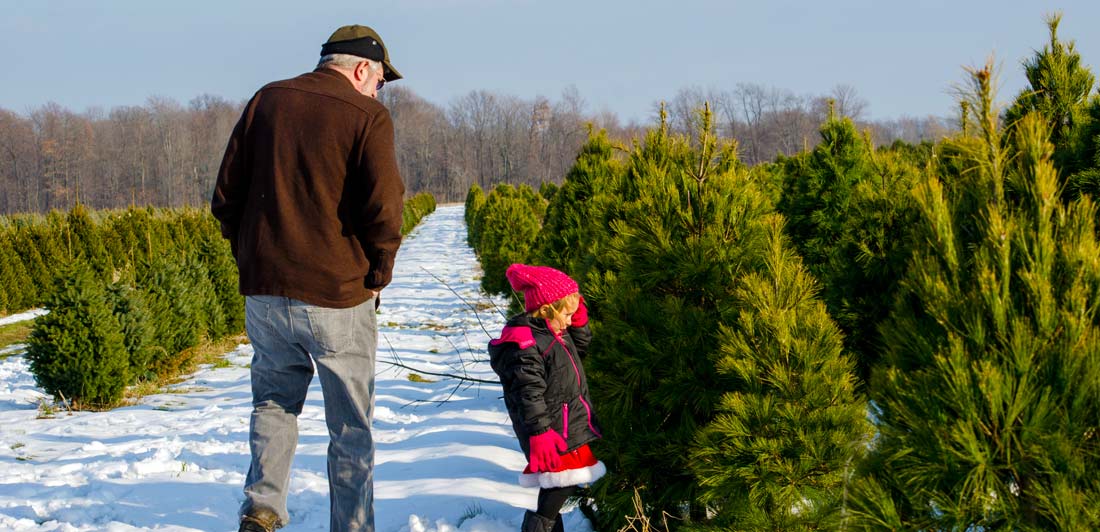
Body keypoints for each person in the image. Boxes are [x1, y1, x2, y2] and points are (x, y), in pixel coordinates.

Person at [210, 24, 405, 532]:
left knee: (273, 402)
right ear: (362, 68)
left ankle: (262, 509)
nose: (379, 89)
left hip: (266, 293)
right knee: (350, 427)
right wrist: (378, 273)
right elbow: (385, 210)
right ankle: (353, 526)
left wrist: (254, 256)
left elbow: (225, 197)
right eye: (381, 79)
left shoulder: (266, 101)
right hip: (339, 296)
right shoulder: (367, 116)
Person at [488, 264, 607, 532]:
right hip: (548, 430)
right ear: (546, 308)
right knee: (560, 485)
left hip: (564, 424)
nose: (568, 320)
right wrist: (540, 432)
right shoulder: (525, 343)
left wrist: (579, 321)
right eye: (566, 314)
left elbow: (582, 349)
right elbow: (527, 393)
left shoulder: (555, 332)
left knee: (557, 486)